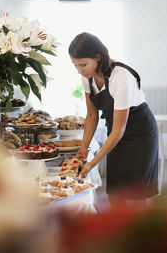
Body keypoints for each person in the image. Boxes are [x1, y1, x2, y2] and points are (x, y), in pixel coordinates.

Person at [68, 32, 159, 203]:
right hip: (115, 132)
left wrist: (92, 162)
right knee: (116, 192)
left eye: (83, 64)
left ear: (97, 57)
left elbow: (119, 130)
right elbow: (92, 114)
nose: (79, 70)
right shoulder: (87, 77)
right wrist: (84, 147)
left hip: (139, 132)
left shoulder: (121, 76)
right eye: (75, 65)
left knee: (135, 196)